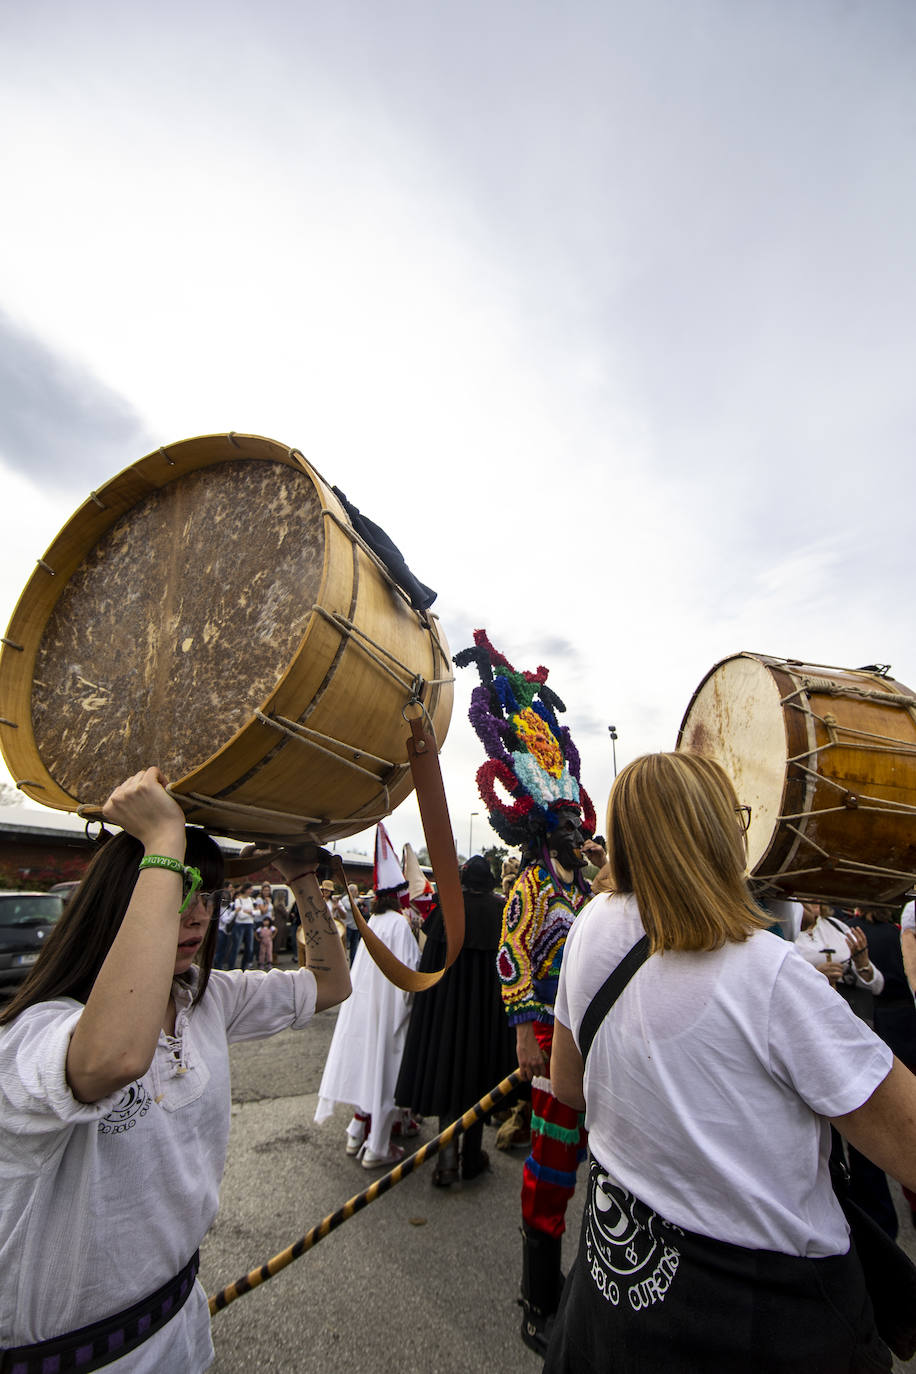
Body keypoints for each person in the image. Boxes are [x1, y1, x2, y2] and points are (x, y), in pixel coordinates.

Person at [545, 752, 916, 1374]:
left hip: (616, 1303)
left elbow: (568, 1085)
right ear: (716, 833)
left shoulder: (589, 926)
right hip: (765, 1315)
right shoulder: (771, 976)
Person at [0, 766, 350, 1374]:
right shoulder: (35, 1032)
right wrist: (164, 839)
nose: (197, 917)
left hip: (178, 1326)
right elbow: (113, 1058)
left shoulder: (204, 998)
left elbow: (330, 984)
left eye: (208, 897)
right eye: (181, 890)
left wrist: (299, 878)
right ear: (124, 897)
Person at [455, 629, 599, 1353]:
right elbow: (511, 954)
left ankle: (600, 1285)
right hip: (550, 1041)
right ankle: (537, 1296)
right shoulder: (534, 882)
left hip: (602, 1047)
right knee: (549, 1170)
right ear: (547, 827)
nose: (578, 831)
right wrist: (523, 1033)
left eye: (580, 821)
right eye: (567, 823)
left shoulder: (593, 888)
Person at [395, 854, 516, 1185]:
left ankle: (447, 1163)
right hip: (483, 1019)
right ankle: (471, 1158)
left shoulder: (446, 912)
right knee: (477, 1081)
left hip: (446, 1015)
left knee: (448, 1076)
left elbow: (429, 967)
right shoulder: (499, 912)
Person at [315, 870, 420, 1169]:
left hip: (369, 1010)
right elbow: (409, 971)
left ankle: (356, 1131)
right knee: (386, 1075)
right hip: (389, 1014)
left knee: (370, 1070)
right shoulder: (399, 924)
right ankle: (377, 1147)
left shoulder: (373, 921)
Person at [231, 882, 257, 971]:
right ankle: (231, 967)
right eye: (250, 889)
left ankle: (244, 967)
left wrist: (249, 912)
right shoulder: (238, 900)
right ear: (246, 890)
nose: (251, 891)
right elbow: (240, 915)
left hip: (250, 925)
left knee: (249, 948)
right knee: (236, 947)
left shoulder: (252, 900)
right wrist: (250, 913)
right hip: (240, 925)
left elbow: (258, 912)